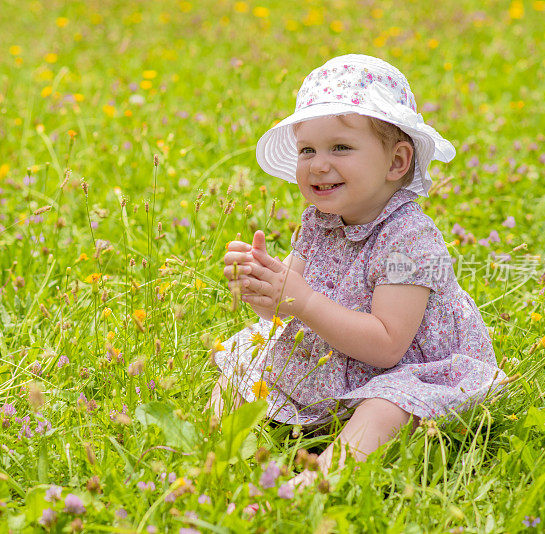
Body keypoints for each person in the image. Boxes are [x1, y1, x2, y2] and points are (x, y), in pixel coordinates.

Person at [209, 54, 509, 488]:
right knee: (242, 367)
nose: (317, 163)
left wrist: (303, 301)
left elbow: (388, 346)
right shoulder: (318, 221)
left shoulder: (410, 240)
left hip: (401, 369)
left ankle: (318, 482)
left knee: (388, 406)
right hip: (331, 358)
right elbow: (287, 303)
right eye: (307, 149)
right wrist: (265, 286)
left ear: (396, 163)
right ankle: (215, 453)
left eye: (341, 147)